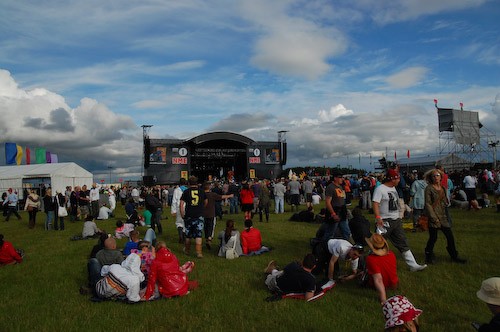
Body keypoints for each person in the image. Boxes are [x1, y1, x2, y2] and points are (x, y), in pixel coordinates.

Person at [372, 168, 427, 272]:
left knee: (402, 242)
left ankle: (413, 265)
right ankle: (369, 265)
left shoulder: (393, 189)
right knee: (378, 244)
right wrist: (378, 217)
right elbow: (375, 203)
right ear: (392, 179)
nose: (399, 181)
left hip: (395, 220)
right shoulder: (380, 189)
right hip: (384, 221)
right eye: (398, 179)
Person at [423, 169, 466, 264]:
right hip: (434, 216)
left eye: (437, 175)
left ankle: (454, 255)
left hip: (443, 216)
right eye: (433, 176)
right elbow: (428, 204)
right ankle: (428, 255)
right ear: (431, 178)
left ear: (441, 177)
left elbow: (444, 202)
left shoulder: (442, 188)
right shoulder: (429, 188)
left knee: (450, 237)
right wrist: (434, 218)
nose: (436, 177)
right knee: (433, 238)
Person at [365, 234, 399, 304]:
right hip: (394, 283)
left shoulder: (371, 259)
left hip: (382, 285)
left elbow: (378, 279)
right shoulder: (391, 254)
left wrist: (383, 299)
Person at [180, 176, 208, 258]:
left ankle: (187, 250)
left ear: (188, 183)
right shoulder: (202, 191)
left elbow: (181, 204)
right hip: (199, 215)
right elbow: (206, 201)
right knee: (198, 234)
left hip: (189, 215)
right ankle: (199, 253)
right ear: (197, 182)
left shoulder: (186, 191)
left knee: (188, 234)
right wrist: (202, 208)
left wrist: (182, 214)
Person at [203, 181, 233, 250]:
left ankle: (207, 237)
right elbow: (221, 196)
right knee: (211, 226)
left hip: (204, 213)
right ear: (209, 187)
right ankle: (209, 238)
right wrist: (229, 196)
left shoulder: (202, 194)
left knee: (205, 227)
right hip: (211, 213)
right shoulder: (212, 194)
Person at [324, 171, 351, 240]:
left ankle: (346, 246)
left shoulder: (340, 187)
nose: (342, 179)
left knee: (346, 231)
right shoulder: (330, 187)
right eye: (340, 177)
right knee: (330, 232)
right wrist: (333, 214)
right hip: (335, 211)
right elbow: (327, 202)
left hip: (342, 211)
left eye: (342, 177)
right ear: (335, 178)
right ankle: (326, 246)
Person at [171, 178, 188, 243]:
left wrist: (173, 211)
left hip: (179, 207)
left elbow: (174, 201)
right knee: (185, 222)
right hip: (187, 207)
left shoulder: (176, 190)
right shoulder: (187, 190)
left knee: (179, 222)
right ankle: (184, 237)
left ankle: (180, 236)